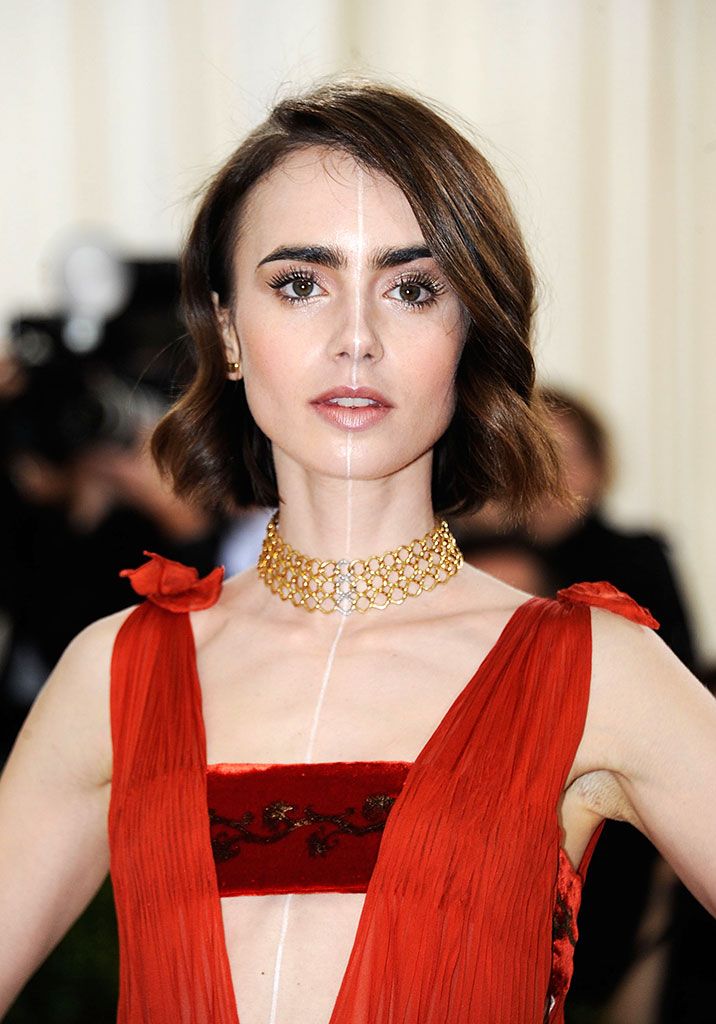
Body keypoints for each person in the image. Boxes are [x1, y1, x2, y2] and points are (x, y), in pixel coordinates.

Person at [0, 81, 714, 1024]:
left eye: (412, 289)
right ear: (228, 332)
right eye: (301, 284)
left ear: (470, 332)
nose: (355, 340)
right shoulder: (114, 673)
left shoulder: (598, 673)